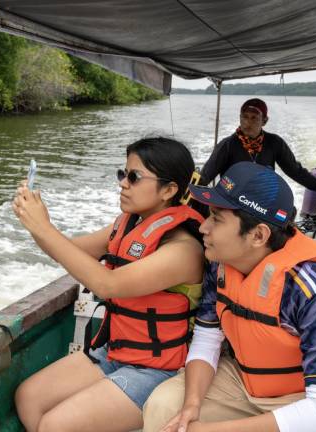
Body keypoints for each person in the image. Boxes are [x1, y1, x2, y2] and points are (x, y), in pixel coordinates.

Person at [142, 161, 316, 432]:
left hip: (313, 397)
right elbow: (207, 339)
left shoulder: (314, 288)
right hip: (244, 380)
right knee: (164, 407)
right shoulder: (220, 264)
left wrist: (205, 430)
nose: (203, 228)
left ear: (258, 235)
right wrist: (191, 405)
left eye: (217, 218)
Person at [13, 137, 206, 432]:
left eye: (134, 177)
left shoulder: (183, 248)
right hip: (115, 352)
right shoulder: (128, 225)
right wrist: (36, 222)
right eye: (123, 174)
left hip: (159, 370)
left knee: (55, 425)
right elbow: (70, 251)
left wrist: (44, 228)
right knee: (29, 398)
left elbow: (108, 284)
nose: (123, 184)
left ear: (169, 190)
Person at [199, 98, 316, 196]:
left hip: (261, 199)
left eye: (254, 118)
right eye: (244, 117)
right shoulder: (227, 145)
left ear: (264, 121)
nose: (247, 122)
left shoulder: (274, 143)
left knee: (289, 214)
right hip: (230, 198)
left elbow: (296, 172)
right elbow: (204, 177)